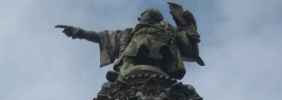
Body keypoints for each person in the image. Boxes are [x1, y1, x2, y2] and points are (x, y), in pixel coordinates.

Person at [56, 6, 204, 80]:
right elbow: (101, 36)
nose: (140, 19)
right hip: (133, 57)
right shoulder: (129, 34)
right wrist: (79, 32)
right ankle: (123, 76)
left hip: (163, 57)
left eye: (143, 16)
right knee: (132, 51)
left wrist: (189, 32)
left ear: (152, 17)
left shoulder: (168, 31)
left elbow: (186, 44)